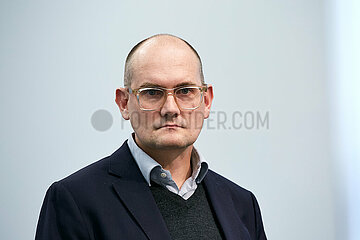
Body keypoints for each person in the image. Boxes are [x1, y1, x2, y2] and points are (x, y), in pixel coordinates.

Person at [35, 34, 267, 240]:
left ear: (206, 102)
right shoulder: (75, 199)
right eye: (152, 93)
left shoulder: (243, 205)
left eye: (185, 91)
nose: (170, 108)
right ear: (124, 103)